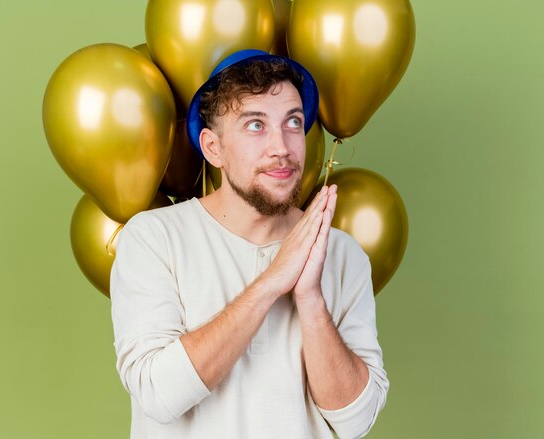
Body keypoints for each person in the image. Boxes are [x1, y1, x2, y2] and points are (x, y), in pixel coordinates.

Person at [110, 49, 388, 439]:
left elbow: (356, 421)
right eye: (255, 126)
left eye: (293, 122)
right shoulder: (154, 237)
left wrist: (309, 298)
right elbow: (158, 394)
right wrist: (272, 281)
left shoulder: (342, 254)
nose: (282, 147)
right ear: (213, 148)